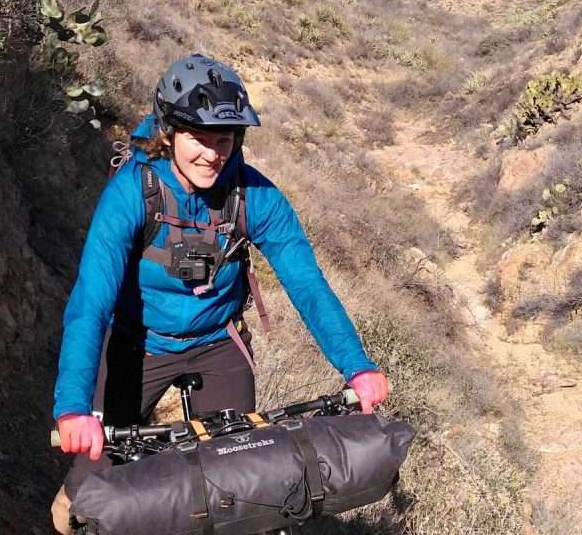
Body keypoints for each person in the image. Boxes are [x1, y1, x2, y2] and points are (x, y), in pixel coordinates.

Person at [50, 53, 389, 534]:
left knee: (245, 485)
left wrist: (357, 366)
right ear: (169, 133)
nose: (212, 153)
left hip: (215, 343)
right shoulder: (131, 192)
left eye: (223, 140)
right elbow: (91, 302)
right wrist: (73, 408)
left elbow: (307, 285)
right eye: (199, 138)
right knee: (92, 491)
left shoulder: (254, 196)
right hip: (135, 343)